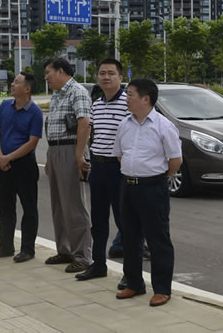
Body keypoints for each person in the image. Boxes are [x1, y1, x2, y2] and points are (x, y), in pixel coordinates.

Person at [113, 78, 182, 307]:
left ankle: (162, 289)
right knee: (130, 237)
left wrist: (155, 177)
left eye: (130, 94)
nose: (126, 98)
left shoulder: (163, 126)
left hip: (153, 187)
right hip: (128, 186)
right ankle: (134, 282)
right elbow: (120, 155)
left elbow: (175, 160)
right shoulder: (125, 124)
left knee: (157, 238)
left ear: (145, 98)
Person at [75, 58, 129, 281]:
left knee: (124, 221)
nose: (106, 77)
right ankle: (98, 265)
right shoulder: (96, 104)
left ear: (120, 78)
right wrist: (83, 156)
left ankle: (130, 274)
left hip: (118, 168)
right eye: (102, 73)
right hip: (97, 166)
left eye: (111, 73)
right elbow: (92, 133)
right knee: (98, 220)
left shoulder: (128, 103)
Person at [0, 72, 43, 263]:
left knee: (29, 208)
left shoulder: (35, 112)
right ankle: (5, 246)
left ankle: (27, 249)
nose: (12, 84)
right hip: (3, 165)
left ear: (27, 88)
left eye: (16, 82)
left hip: (24, 166)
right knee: (5, 208)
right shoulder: (4, 107)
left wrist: (9, 157)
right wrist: (0, 156)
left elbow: (32, 142)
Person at [43, 58, 93, 273]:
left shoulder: (77, 92)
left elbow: (84, 123)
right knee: (59, 205)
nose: (46, 77)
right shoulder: (56, 95)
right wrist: (49, 157)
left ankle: (82, 255)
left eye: (48, 72)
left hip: (71, 149)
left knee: (74, 205)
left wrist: (79, 155)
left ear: (61, 71)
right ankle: (65, 250)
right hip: (55, 150)